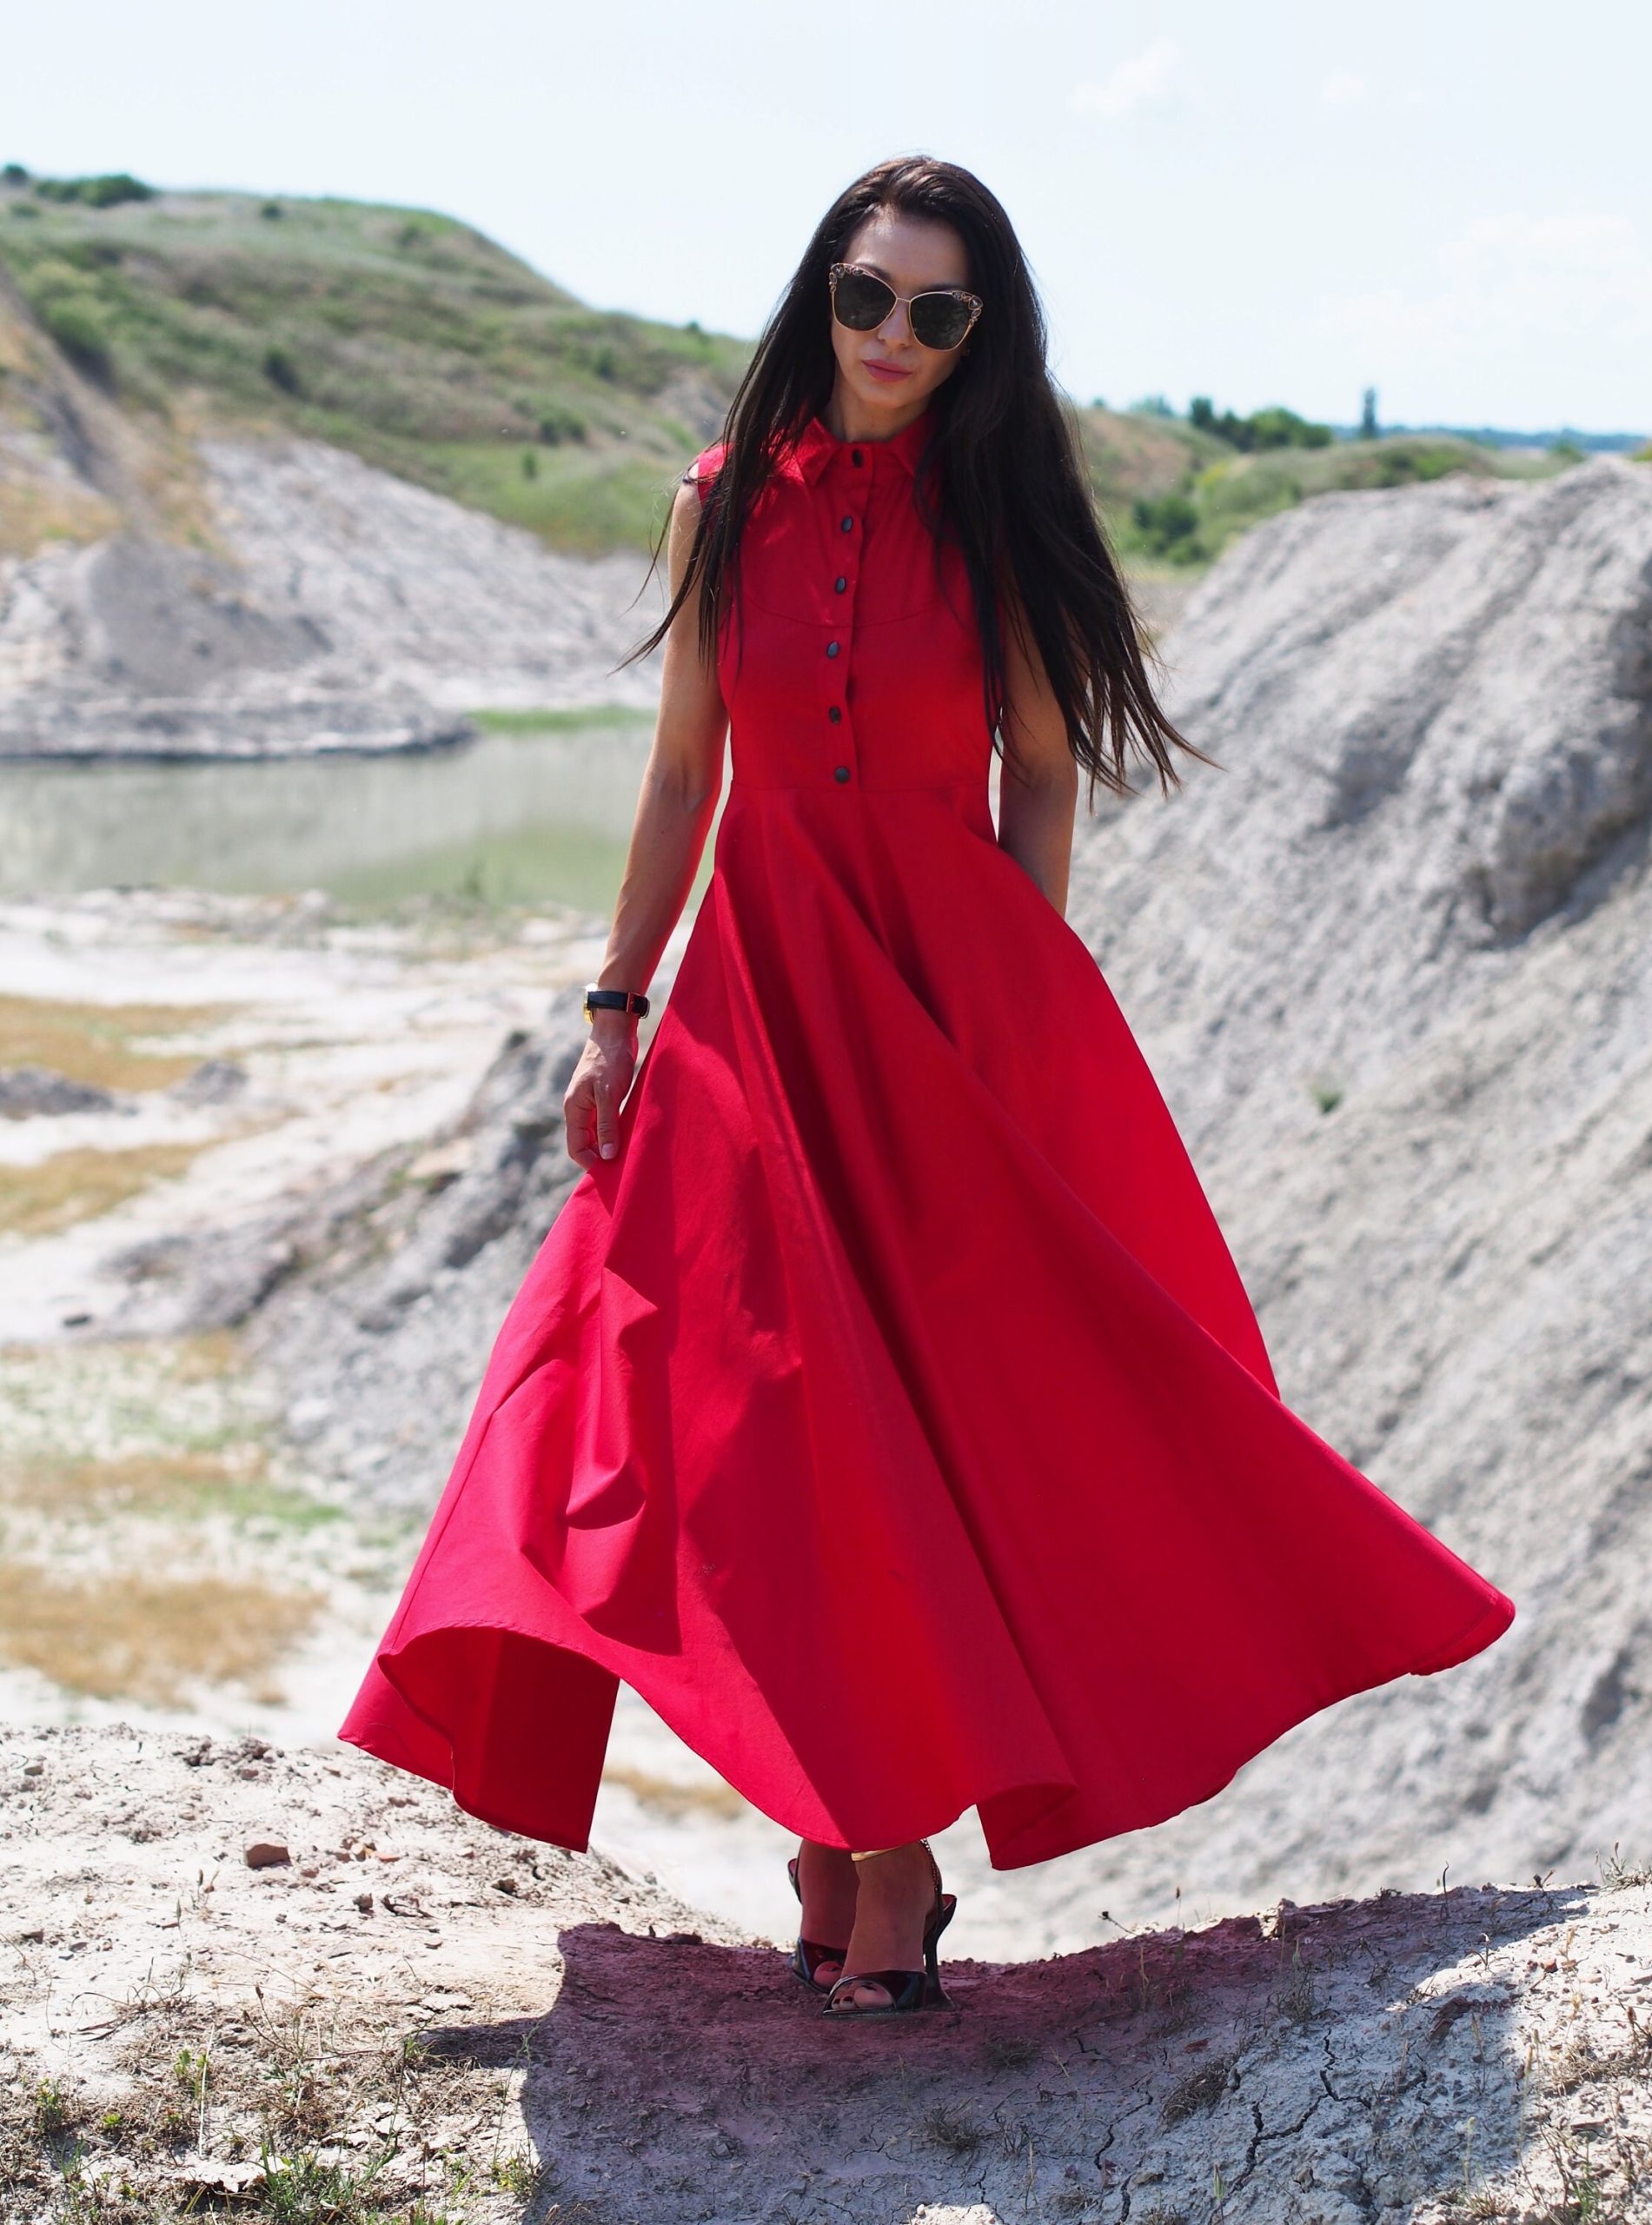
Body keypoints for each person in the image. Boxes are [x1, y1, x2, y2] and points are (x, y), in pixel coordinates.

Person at [339, 155, 1515, 2022]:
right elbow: (677, 781)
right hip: (749, 1001)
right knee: (735, 1419)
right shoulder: (715, 508)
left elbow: (1039, 771)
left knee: (946, 1424)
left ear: (982, 337)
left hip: (936, 1004)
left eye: (938, 313)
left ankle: (867, 1850)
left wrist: (1010, 993)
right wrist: (615, 1002)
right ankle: (857, 1840)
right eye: (868, 296)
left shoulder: (999, 518)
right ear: (823, 292)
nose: (893, 336)